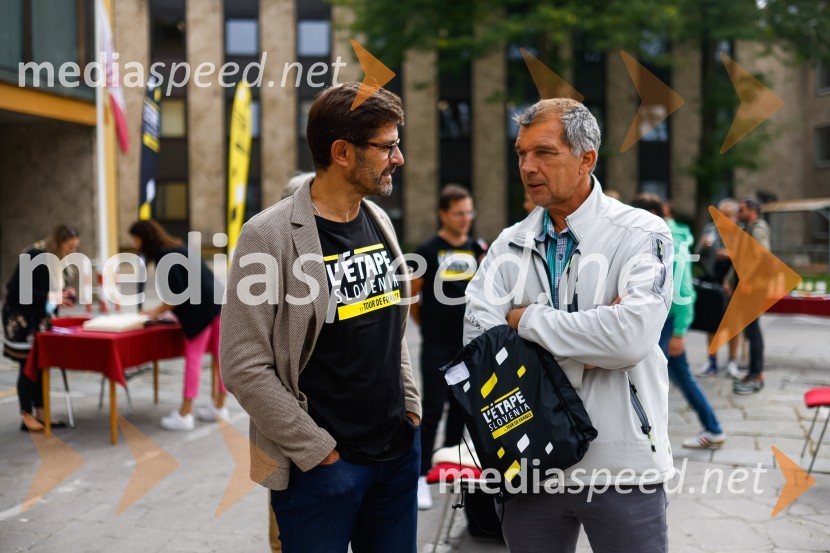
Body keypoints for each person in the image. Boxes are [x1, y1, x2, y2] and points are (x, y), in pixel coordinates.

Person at [464, 98, 674, 553]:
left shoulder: (643, 233)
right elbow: (479, 347)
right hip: (530, 464)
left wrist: (525, 321)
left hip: (621, 464)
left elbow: (631, 338)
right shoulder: (508, 244)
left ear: (587, 158)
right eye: (521, 153)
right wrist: (592, 348)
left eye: (544, 152)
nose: (528, 166)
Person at [220, 82, 421, 553]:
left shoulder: (378, 219)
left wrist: (411, 409)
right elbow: (243, 365)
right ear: (342, 152)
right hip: (321, 472)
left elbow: (392, 329)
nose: (399, 158)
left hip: (395, 457)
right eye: (387, 146)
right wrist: (318, 452)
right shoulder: (267, 236)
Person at [410, 184, 487, 510]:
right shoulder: (428, 250)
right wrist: (429, 326)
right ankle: (421, 475)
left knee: (461, 409)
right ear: (443, 214)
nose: (465, 218)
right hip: (438, 344)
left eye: (469, 212)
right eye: (459, 213)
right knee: (433, 409)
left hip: (468, 346)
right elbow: (413, 297)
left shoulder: (477, 247)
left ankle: (450, 468)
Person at [632, 194, 726, 449]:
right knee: (678, 377)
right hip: (662, 322)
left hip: (667, 323)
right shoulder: (662, 236)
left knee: (650, 379)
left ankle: (706, 430)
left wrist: (679, 333)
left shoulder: (670, 240)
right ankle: (712, 428)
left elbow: (683, 291)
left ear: (652, 213)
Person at [128, 220, 226, 430]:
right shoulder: (177, 246)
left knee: (194, 359)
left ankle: (185, 414)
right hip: (217, 302)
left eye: (135, 239)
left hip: (199, 312)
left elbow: (175, 296)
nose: (135, 245)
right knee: (221, 358)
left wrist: (154, 313)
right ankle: (219, 406)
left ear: (144, 238)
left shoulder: (164, 255)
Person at [3, 224, 79, 432]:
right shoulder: (35, 255)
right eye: (69, 247)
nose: (72, 252)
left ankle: (41, 415)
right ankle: (26, 417)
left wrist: (66, 295)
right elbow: (17, 291)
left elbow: (54, 293)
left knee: (41, 364)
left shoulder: (60, 262)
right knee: (28, 366)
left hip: (40, 318)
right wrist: (50, 296)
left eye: (75, 247)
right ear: (58, 243)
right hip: (20, 319)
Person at [728, 196, 771, 395]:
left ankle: (756, 374)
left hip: (753, 289)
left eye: (742, 210)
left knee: (753, 332)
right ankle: (753, 373)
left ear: (752, 210)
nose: (738, 213)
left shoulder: (758, 228)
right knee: (751, 331)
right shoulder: (750, 228)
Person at [695, 197, 742, 378]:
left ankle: (732, 362)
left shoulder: (741, 232)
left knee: (734, 325)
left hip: (733, 282)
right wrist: (704, 246)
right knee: (711, 322)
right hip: (713, 279)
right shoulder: (710, 229)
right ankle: (711, 362)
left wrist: (731, 254)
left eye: (728, 215)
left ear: (735, 216)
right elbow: (698, 253)